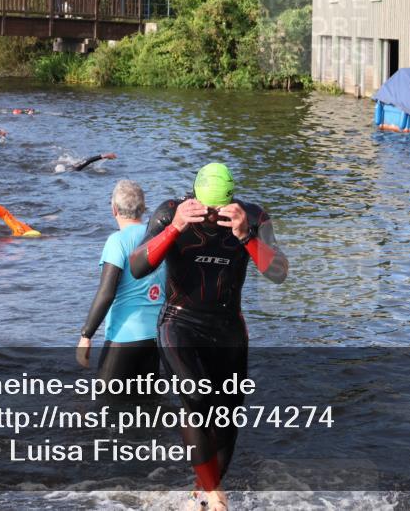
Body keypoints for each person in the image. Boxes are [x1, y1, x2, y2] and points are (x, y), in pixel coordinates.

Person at [129, 163, 288, 509]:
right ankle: (214, 493)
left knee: (228, 415)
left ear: (232, 199)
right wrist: (174, 229)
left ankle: (203, 491)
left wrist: (246, 236)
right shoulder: (173, 211)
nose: (213, 217)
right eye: (207, 209)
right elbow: (137, 266)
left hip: (227, 326)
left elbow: (278, 273)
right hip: (179, 322)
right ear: (195, 197)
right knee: (196, 397)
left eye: (219, 210)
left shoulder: (253, 216)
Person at [77, 180, 166, 383]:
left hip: (124, 337)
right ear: (143, 208)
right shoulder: (160, 237)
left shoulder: (117, 241)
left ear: (114, 209)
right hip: (156, 337)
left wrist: (86, 335)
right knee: (148, 404)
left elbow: (106, 292)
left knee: (106, 405)